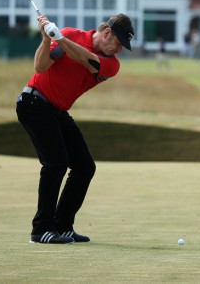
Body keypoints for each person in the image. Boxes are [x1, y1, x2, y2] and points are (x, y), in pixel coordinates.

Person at [16, 13, 135, 244]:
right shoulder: (71, 35)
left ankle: (62, 225)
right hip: (33, 103)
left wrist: (59, 38)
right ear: (107, 32)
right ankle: (41, 230)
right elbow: (40, 68)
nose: (119, 49)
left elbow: (85, 59)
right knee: (56, 163)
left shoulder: (111, 65)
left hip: (56, 111)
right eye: (119, 43)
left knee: (84, 167)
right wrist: (45, 38)